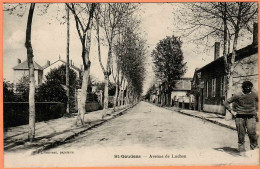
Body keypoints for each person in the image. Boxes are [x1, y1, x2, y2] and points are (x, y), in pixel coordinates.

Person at [223, 81, 258, 153]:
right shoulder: (238, 95)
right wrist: (232, 112)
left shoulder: (255, 95)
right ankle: (241, 151)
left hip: (251, 117)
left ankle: (254, 150)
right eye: (246, 88)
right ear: (243, 88)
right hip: (239, 117)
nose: (248, 89)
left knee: (252, 133)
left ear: (251, 88)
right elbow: (226, 102)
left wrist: (257, 111)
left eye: (249, 88)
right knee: (241, 134)